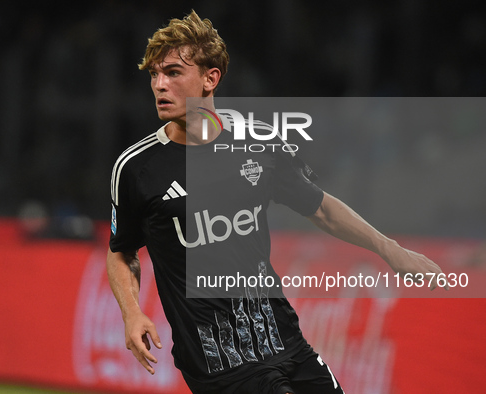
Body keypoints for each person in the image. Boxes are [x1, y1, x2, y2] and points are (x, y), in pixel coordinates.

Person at [106, 10, 447, 394]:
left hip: (284, 340)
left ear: (210, 78)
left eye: (172, 72)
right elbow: (121, 251)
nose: (159, 85)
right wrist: (131, 314)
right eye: (154, 74)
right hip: (220, 363)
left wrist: (390, 249)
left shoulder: (259, 143)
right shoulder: (136, 167)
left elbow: (320, 207)